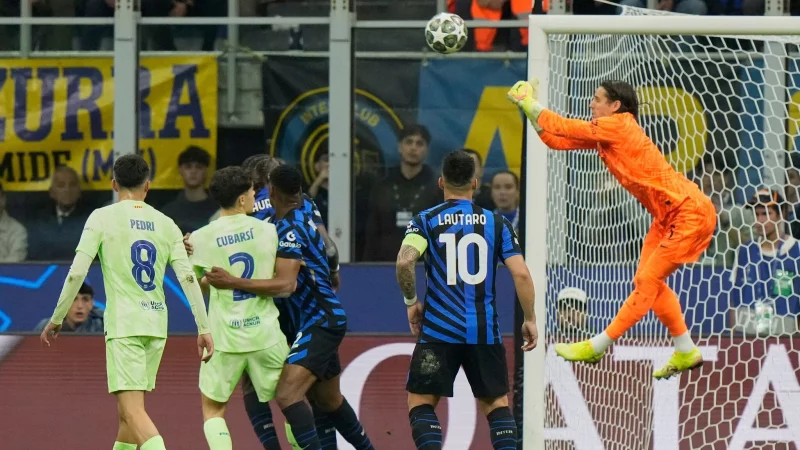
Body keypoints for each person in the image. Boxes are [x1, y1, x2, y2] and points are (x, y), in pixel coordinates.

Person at [508, 78, 717, 379]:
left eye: (597, 99)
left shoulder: (620, 124)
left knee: (647, 281)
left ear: (615, 105)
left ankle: (598, 344)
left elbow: (563, 125)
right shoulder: (608, 133)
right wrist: (527, 109)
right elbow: (555, 139)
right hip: (666, 216)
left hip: (688, 211)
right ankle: (685, 350)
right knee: (649, 283)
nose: (591, 104)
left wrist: (529, 101)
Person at [39, 154, 214, 450]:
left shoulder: (102, 217)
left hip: (125, 325)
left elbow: (77, 272)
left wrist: (57, 318)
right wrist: (203, 327)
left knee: (133, 412)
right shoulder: (166, 223)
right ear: (148, 186)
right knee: (126, 416)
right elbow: (186, 278)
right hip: (157, 325)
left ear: (113, 184)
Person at [204, 165, 374, 450]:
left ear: (270, 190)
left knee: (287, 394)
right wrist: (330, 272)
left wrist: (233, 280)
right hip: (319, 317)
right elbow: (330, 249)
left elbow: (286, 285)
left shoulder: (286, 228)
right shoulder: (305, 210)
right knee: (328, 400)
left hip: (317, 320)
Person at [395, 150, 538, 450]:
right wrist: (530, 318)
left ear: (440, 181)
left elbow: (404, 262)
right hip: (483, 330)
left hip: (438, 330)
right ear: (475, 184)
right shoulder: (497, 224)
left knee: (421, 402)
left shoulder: (426, 220)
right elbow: (521, 275)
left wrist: (411, 302)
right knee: (497, 405)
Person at [186, 166, 290, 449]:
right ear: (243, 199)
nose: (256, 193)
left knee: (213, 409)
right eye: (252, 190)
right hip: (266, 333)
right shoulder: (269, 231)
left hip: (224, 337)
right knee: (292, 401)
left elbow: (197, 285)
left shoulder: (198, 239)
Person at [35, 282, 104, 333]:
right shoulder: (45, 326)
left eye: (85, 299)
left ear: (91, 304)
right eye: (73, 299)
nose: (80, 306)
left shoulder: (102, 326)